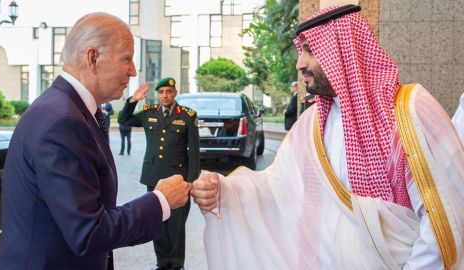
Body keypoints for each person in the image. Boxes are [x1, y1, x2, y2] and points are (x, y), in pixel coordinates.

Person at [191, 5, 464, 269]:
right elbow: (277, 189)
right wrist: (224, 192)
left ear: (344, 50)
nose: (300, 63)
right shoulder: (311, 124)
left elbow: (445, 219)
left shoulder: (409, 111)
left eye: (310, 50)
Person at [0, 13, 191, 270]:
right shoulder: (62, 120)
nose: (133, 70)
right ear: (93, 58)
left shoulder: (68, 109)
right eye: (126, 58)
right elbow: (88, 232)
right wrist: (161, 200)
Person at [118, 77, 200, 270]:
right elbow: (124, 119)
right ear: (157, 94)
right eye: (161, 92)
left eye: (169, 92)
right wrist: (133, 100)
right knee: (159, 221)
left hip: (179, 179)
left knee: (176, 225)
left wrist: (191, 181)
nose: (165, 95)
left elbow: (194, 152)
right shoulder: (149, 113)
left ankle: (177, 264)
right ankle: (163, 262)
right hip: (154, 177)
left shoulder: (187, 116)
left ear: (175, 93)